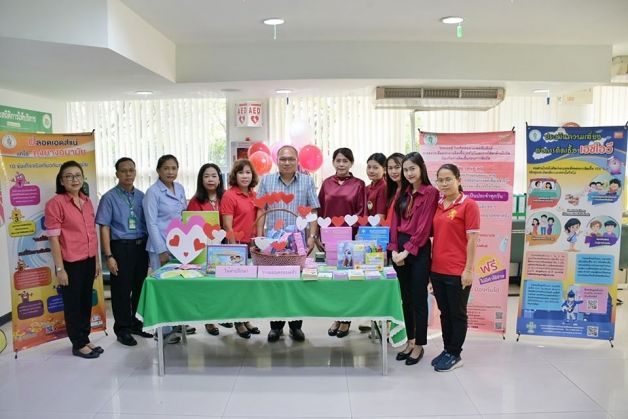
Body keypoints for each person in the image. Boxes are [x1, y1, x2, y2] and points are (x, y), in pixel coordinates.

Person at [256, 145, 320, 343]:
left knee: (296, 285)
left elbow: (313, 211)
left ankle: (295, 326)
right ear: (277, 160)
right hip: (273, 242)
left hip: (297, 243)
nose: (286, 162)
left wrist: (312, 237)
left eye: (291, 159)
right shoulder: (266, 180)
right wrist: (259, 236)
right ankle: (275, 327)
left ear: (297, 161)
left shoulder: (307, 180)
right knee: (274, 284)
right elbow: (261, 209)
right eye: (283, 159)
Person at [45, 161, 102, 359]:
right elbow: (53, 239)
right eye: (68, 176)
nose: (74, 179)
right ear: (61, 181)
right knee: (73, 304)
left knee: (85, 301)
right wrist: (60, 269)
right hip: (70, 263)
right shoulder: (56, 203)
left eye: (78, 175)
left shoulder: (87, 201)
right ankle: (77, 344)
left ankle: (84, 338)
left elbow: (92, 234)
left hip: (88, 260)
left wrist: (96, 261)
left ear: (83, 178)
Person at [388, 152, 439, 365]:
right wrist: (393, 250)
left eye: (412, 169)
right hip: (400, 247)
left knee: (418, 298)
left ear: (421, 168)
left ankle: (419, 345)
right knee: (406, 299)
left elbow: (424, 227)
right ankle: (409, 340)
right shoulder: (403, 192)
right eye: (405, 169)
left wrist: (406, 251)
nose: (408, 173)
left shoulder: (431, 192)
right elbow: (394, 223)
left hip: (418, 249)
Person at [96, 157, 152, 347]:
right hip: (121, 248)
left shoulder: (142, 196)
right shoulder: (109, 197)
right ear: (117, 174)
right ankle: (123, 329)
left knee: (139, 288)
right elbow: (104, 227)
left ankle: (137, 324)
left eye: (131, 170)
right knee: (121, 290)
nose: (128, 174)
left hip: (141, 247)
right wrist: (109, 256)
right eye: (124, 171)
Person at [430, 163, 480, 372]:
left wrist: (468, 270)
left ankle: (455, 353)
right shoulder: (438, 205)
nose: (444, 183)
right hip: (437, 269)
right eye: (440, 180)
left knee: (457, 313)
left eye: (448, 179)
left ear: (458, 180)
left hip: (457, 271)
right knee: (444, 313)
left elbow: (473, 240)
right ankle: (447, 349)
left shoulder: (469, 205)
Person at [319, 147, 366, 338]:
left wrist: (355, 237)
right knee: (333, 281)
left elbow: (362, 212)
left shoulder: (359, 184)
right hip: (329, 239)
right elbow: (320, 210)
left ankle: (346, 320)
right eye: (338, 160)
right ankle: (337, 317)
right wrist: (320, 236)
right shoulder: (326, 183)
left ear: (351, 163)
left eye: (345, 161)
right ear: (333, 162)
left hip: (349, 241)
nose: (341, 164)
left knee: (347, 281)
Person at [143, 154, 190, 342]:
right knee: (162, 288)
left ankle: (176, 322)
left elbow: (183, 216)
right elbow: (151, 223)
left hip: (179, 246)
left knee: (176, 288)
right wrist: (161, 249)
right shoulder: (152, 192)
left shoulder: (180, 188)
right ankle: (162, 331)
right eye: (166, 168)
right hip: (160, 247)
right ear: (158, 171)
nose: (170, 172)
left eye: (174, 168)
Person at [221, 159, 260, 339]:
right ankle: (238, 321)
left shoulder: (254, 195)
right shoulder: (229, 195)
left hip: (252, 245)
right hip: (236, 247)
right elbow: (227, 226)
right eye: (241, 172)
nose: (245, 176)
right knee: (237, 287)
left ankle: (246, 319)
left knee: (248, 287)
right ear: (234, 175)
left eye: (248, 172)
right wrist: (234, 249)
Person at [187, 163, 227, 335]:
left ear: (219, 179)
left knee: (224, 285)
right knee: (208, 285)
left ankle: (225, 315)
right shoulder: (195, 201)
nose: (210, 179)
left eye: (214, 176)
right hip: (204, 248)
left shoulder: (226, 197)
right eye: (206, 176)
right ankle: (209, 320)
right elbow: (191, 227)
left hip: (226, 246)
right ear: (201, 180)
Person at [365, 153, 387, 219]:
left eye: (375, 168)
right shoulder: (367, 188)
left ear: (384, 170)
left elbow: (380, 218)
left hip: (375, 225)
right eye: (369, 167)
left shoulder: (384, 187)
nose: (371, 171)